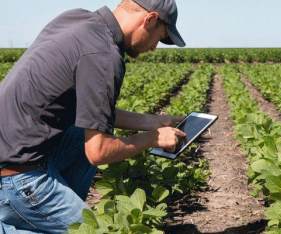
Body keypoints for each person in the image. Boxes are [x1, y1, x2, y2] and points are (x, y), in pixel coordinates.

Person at [0, 0, 186, 232]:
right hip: (17, 179)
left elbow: (93, 112)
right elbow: (98, 152)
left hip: (12, 156)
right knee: (100, 229)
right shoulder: (104, 54)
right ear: (150, 20)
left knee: (81, 134)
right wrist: (153, 138)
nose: (155, 47)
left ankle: (46, 218)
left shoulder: (77, 20)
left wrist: (152, 122)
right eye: (160, 38)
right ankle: (35, 215)